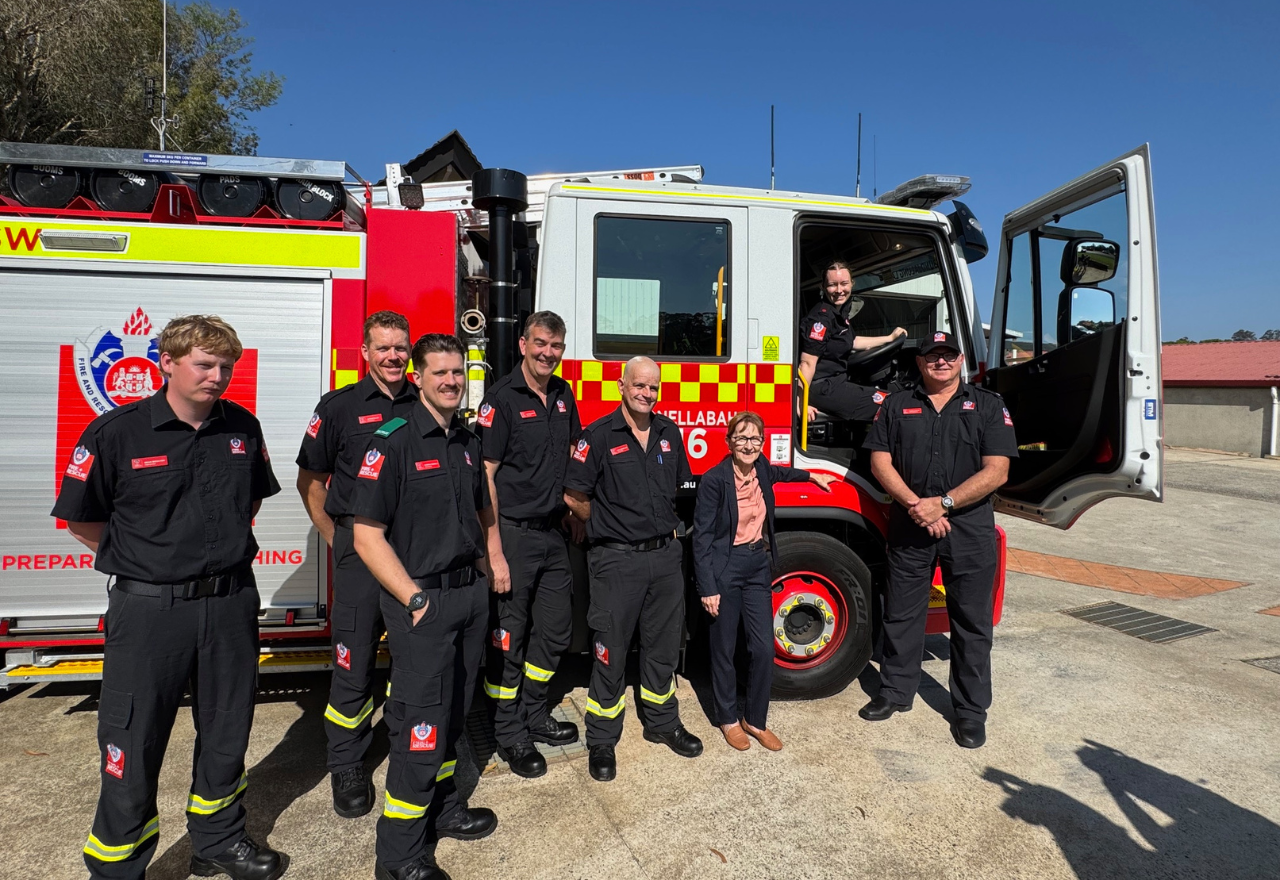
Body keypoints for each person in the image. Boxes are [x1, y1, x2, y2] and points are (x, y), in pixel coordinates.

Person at [52, 315, 284, 880]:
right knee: (133, 736)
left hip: (229, 603)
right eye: (205, 364)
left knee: (228, 729)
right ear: (167, 364)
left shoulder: (242, 428)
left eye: (226, 366)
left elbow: (247, 505)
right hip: (150, 609)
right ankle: (119, 864)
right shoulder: (116, 433)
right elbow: (83, 521)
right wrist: (151, 561)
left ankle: (218, 839)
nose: (217, 376)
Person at [351, 333, 496, 880]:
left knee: (455, 714)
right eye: (440, 373)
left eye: (458, 372)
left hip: (467, 595)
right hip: (424, 603)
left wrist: (486, 569)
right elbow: (367, 536)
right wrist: (413, 599)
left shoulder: (465, 438)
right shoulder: (391, 441)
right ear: (417, 377)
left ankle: (447, 810)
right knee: (420, 727)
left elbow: (481, 513)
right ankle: (400, 856)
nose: (452, 381)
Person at [860, 331, 1018, 749]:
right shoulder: (896, 404)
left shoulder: (988, 405)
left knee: (971, 621)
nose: (940, 362)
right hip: (912, 524)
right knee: (902, 612)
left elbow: (998, 470)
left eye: (948, 355)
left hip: (968, 530)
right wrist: (917, 505)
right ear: (920, 362)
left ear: (960, 359)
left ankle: (969, 711)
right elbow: (879, 461)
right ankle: (895, 692)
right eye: (932, 356)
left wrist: (942, 504)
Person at [296, 310, 416, 819]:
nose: (393, 356)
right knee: (353, 662)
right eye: (383, 347)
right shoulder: (339, 408)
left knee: (414, 658)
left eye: (400, 347)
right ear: (363, 352)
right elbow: (311, 482)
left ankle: (413, 749)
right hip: (357, 554)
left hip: (412, 554)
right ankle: (346, 763)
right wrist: (339, 540)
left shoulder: (426, 403)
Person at [563, 356, 703, 782]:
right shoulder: (599, 436)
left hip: (664, 558)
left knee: (662, 647)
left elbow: (683, 487)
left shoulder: (668, 433)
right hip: (616, 559)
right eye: (639, 385)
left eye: (653, 388)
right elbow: (574, 495)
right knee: (610, 650)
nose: (646, 393)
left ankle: (663, 724)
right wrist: (605, 526)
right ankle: (602, 738)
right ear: (621, 386)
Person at [476, 311, 583, 778]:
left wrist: (575, 512)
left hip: (553, 534)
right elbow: (485, 476)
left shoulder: (563, 394)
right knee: (509, 638)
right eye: (540, 343)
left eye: (555, 346)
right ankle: (509, 732)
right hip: (514, 536)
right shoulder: (500, 398)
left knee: (556, 631)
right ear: (523, 344)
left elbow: (572, 457)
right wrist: (494, 550)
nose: (547, 353)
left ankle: (535, 713)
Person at [692, 412, 837, 751]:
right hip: (726, 567)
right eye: (741, 438)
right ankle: (728, 719)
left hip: (758, 565)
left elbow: (784, 473)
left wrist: (811, 476)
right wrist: (707, 587)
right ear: (729, 442)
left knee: (762, 647)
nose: (748, 445)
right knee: (724, 648)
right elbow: (701, 538)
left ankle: (755, 720)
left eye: (755, 439)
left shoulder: (763, 469)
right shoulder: (715, 480)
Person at [798, 260, 907, 422]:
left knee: (893, 401)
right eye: (832, 285)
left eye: (844, 284)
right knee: (894, 404)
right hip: (823, 388)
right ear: (823, 287)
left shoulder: (838, 312)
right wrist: (800, 402)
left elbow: (852, 341)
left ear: (852, 284)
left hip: (837, 382)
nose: (839, 290)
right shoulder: (821, 319)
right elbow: (806, 364)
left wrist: (889, 338)